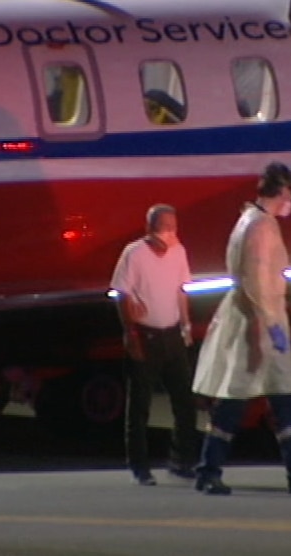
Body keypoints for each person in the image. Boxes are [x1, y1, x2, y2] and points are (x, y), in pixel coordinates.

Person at [191, 162, 291, 496]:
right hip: (255, 326)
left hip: (260, 323)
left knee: (285, 399)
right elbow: (257, 283)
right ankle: (209, 470)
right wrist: (269, 328)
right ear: (280, 190)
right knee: (235, 401)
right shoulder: (259, 227)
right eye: (290, 191)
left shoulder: (257, 223)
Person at [110, 204, 199, 486]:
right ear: (150, 228)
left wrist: (186, 325)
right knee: (140, 405)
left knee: (185, 401)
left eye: (174, 227)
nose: (171, 233)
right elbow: (121, 294)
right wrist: (130, 334)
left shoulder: (179, 251)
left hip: (172, 335)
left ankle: (181, 460)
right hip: (145, 336)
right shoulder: (134, 254)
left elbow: (181, 290)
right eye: (165, 227)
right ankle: (140, 466)